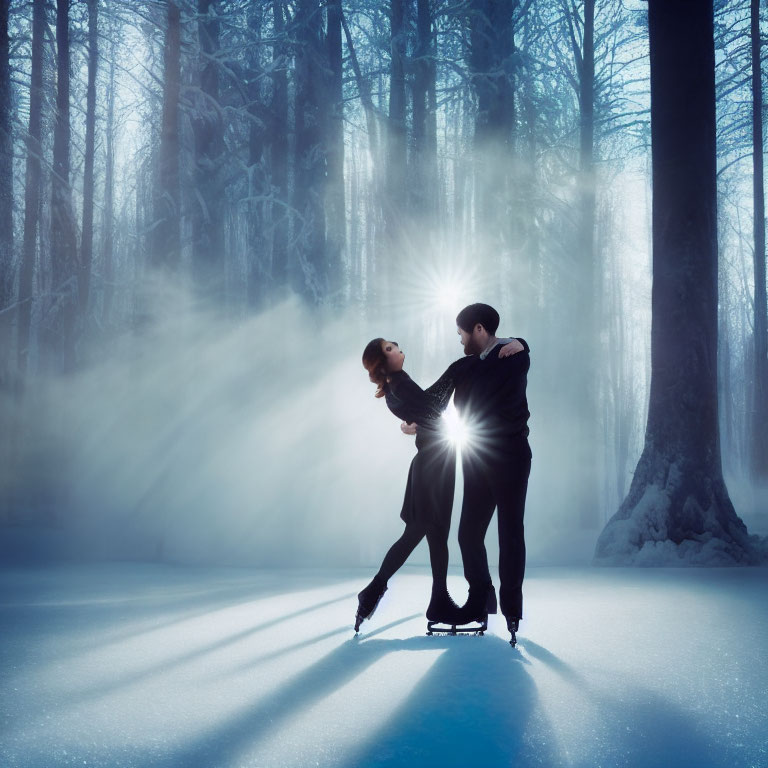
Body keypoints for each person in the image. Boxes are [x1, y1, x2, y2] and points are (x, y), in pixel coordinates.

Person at [355, 336, 520, 632]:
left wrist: (413, 419)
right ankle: (374, 591)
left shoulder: (396, 387)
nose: (397, 346)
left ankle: (438, 598)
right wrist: (457, 369)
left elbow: (423, 408)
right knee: (420, 531)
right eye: (390, 348)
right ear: (383, 362)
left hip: (434, 461)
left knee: (435, 534)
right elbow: (433, 407)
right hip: (434, 464)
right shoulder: (400, 383)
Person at [452, 303, 531, 647]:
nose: (461, 341)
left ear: (479, 330)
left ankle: (512, 611)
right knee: (468, 533)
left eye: (462, 334)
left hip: (510, 457)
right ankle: (481, 599)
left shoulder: (512, 357)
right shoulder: (478, 363)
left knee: (509, 534)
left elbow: (483, 393)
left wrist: (522, 343)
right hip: (477, 456)